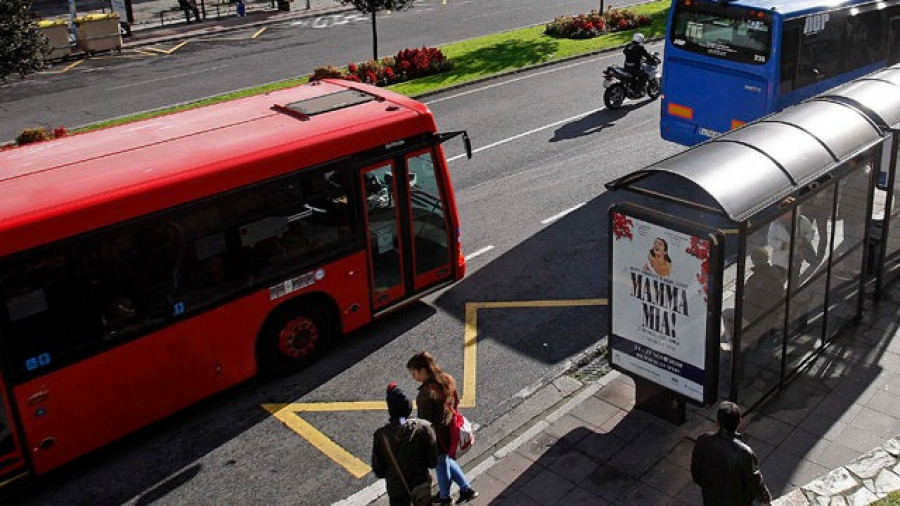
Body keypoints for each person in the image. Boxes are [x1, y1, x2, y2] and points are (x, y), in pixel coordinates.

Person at [407, 352, 478, 505]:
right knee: (446, 462)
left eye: (414, 373)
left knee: (441, 466)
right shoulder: (447, 379)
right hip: (450, 430)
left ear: (423, 370)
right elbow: (456, 401)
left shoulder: (426, 394)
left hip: (437, 437)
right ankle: (466, 489)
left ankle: (445, 498)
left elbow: (425, 423)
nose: (413, 377)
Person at [691, 401, 772, 506]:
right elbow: (755, 482)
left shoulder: (703, 440)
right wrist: (766, 499)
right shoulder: (745, 453)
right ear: (739, 422)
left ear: (717, 422)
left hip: (711, 499)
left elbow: (696, 472)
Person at [372, 383, 438, 506]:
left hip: (396, 488)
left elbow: (378, 470)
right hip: (420, 483)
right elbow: (433, 461)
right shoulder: (425, 427)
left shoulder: (381, 436)